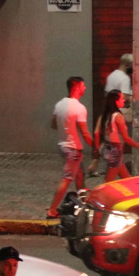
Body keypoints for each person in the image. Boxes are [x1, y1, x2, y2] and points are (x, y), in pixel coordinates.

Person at [46, 77, 94, 219]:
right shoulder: (79, 108)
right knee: (67, 179)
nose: (85, 88)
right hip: (73, 148)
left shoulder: (59, 104)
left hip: (63, 145)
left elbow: (53, 125)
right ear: (77, 87)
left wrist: (66, 128)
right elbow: (84, 132)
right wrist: (95, 146)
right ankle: (52, 210)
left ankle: (83, 206)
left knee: (79, 176)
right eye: (83, 85)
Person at [95, 90, 139, 183]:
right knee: (108, 183)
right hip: (116, 151)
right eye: (121, 98)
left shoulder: (107, 115)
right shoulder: (118, 117)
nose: (124, 100)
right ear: (115, 101)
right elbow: (126, 138)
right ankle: (101, 197)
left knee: (127, 179)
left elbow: (98, 132)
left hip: (109, 148)